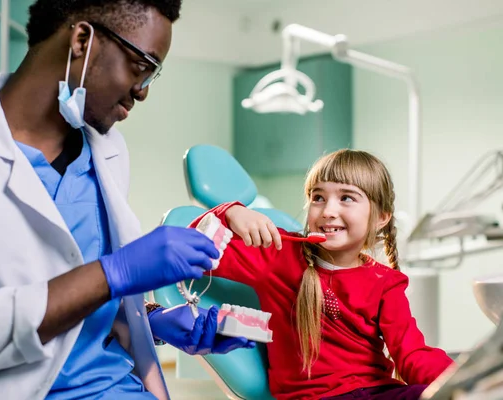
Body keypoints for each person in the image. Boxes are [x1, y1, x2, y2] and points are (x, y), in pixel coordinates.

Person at [0, 1, 254, 399]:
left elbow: (87, 308)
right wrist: (112, 273)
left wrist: (152, 321)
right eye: (142, 66)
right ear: (82, 40)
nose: (143, 92)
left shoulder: (108, 150)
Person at [188, 149, 454, 400]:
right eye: (318, 198)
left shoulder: (386, 282)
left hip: (378, 391)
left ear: (381, 217)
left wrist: (458, 380)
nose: (328, 211)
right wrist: (231, 212)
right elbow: (189, 249)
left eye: (346, 198)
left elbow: (412, 354)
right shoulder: (278, 254)